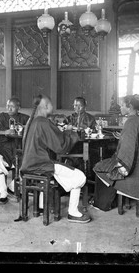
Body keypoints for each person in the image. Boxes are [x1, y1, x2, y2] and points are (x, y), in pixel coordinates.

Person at [20, 94, 91, 223]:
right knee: (80, 177)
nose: (53, 107)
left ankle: (42, 205)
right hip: (40, 164)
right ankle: (73, 212)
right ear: (46, 106)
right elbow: (61, 146)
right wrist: (72, 133)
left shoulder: (33, 120)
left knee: (67, 174)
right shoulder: (43, 122)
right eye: (51, 104)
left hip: (29, 164)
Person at [92, 94, 139, 211]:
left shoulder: (130, 122)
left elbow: (127, 154)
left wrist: (118, 165)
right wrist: (123, 137)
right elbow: (138, 142)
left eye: (122, 105)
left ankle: (103, 203)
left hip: (131, 169)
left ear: (129, 106)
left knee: (99, 167)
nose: (120, 108)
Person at [0, 97, 30, 200]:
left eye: (12, 107)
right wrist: (6, 132)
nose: (9, 109)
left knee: (26, 167)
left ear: (19, 107)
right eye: (8, 106)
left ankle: (12, 188)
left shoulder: (25, 118)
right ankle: (3, 194)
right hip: (4, 149)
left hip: (19, 150)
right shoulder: (1, 117)